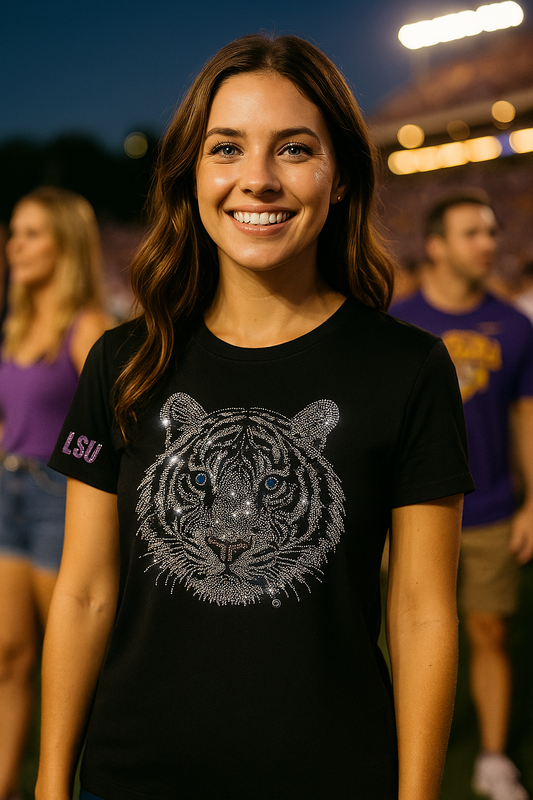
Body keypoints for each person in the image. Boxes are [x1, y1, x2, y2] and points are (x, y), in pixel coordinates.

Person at [35, 35, 474, 800]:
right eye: (227, 148)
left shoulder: (407, 368)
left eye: (294, 149)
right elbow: (83, 592)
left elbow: (421, 608)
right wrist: (47, 785)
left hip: (332, 776)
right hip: (133, 776)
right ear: (193, 174)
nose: (258, 181)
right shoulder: (122, 359)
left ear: (337, 177)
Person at [392, 190, 533, 800]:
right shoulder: (394, 323)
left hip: (490, 508)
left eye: (491, 232)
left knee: (488, 633)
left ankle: (494, 757)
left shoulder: (515, 325)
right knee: (400, 631)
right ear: (436, 246)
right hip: (404, 513)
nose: (488, 245)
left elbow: (526, 419)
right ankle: (404, 746)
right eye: (472, 233)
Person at [0, 186, 111, 800]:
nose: (15, 244)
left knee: (67, 667)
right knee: (8, 655)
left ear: (65, 244)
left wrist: (75, 474)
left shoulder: (87, 325)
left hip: (59, 498)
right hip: (7, 491)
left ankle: (71, 783)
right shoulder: (16, 323)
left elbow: (115, 426)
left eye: (32, 232)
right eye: (14, 232)